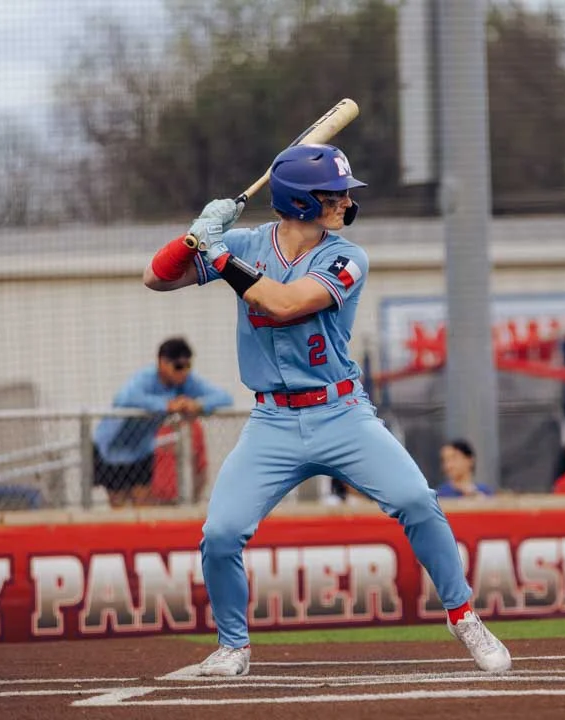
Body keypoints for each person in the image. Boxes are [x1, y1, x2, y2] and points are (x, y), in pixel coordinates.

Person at [142, 144, 510, 677]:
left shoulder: (346, 256)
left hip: (341, 412)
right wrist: (193, 235)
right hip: (272, 420)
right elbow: (156, 278)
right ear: (298, 201)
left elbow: (285, 304)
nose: (345, 202)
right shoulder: (245, 244)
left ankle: (463, 615)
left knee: (416, 499)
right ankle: (232, 646)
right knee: (220, 533)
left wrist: (218, 255)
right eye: (332, 194)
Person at [92, 338, 232, 508]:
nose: (184, 372)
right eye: (178, 367)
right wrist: (166, 405)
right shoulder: (145, 378)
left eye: (188, 366)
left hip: (140, 451)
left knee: (144, 507)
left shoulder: (186, 383)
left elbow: (224, 397)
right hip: (112, 450)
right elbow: (124, 398)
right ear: (162, 363)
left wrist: (198, 405)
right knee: (119, 507)